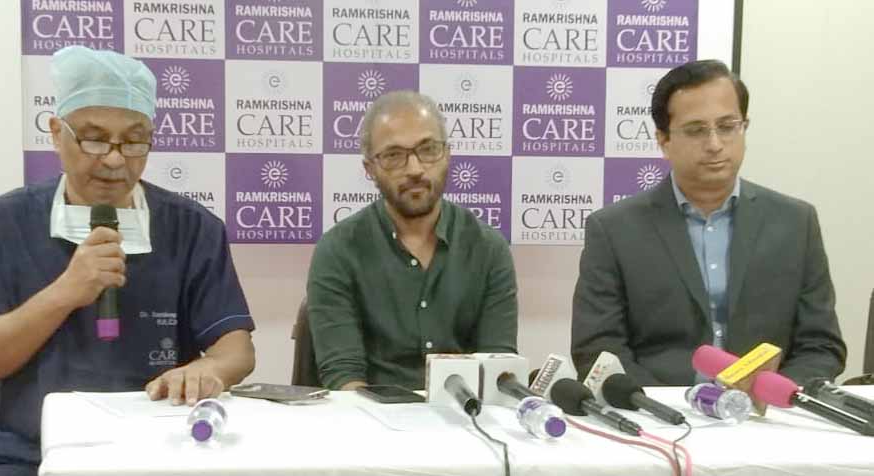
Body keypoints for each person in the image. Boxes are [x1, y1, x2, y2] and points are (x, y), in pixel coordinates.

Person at [0, 46, 256, 476]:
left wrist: (210, 368)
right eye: (94, 138)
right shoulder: (4, 222)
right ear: (57, 133)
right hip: (28, 455)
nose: (114, 158)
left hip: (159, 452)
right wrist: (65, 292)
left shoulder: (192, 228)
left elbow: (236, 349)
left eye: (134, 140)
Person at [571, 59, 846, 386]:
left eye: (727, 126)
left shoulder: (796, 223)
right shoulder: (614, 230)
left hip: (768, 410)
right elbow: (598, 350)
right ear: (663, 140)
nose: (715, 144)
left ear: (744, 127)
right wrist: (660, 406)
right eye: (696, 130)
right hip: (661, 408)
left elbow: (821, 346)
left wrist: (772, 396)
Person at [306, 90, 518, 391]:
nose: (415, 169)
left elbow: (497, 366)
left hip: (464, 414)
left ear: (447, 154)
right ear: (370, 169)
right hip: (372, 414)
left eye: (428, 150)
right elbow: (344, 376)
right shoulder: (338, 250)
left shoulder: (488, 248)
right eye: (394, 156)